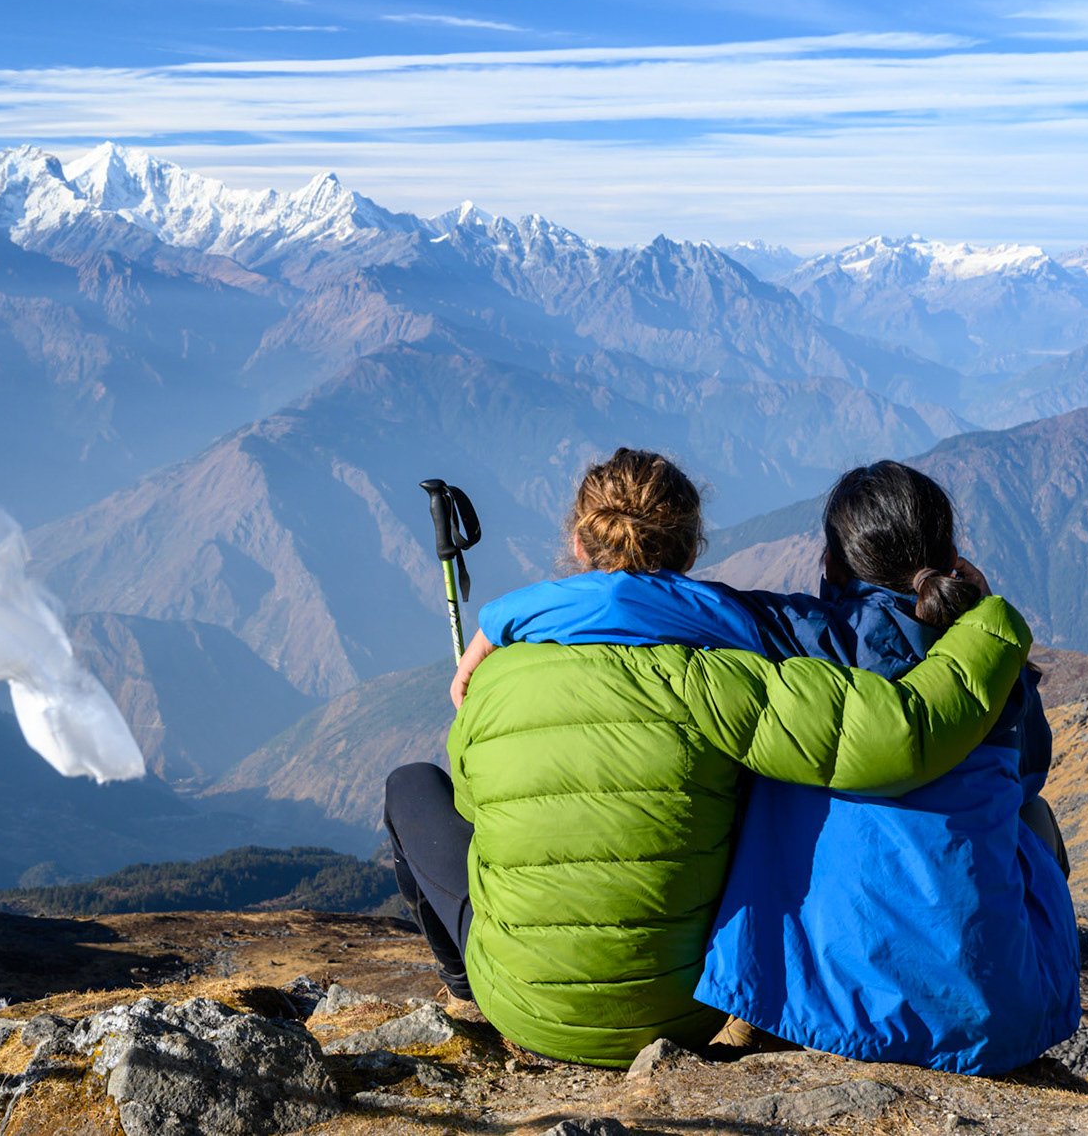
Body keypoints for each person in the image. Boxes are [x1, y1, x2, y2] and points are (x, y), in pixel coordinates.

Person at [382, 448, 1034, 1068]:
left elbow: (473, 810)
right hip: (683, 1008)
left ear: (580, 544)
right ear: (691, 548)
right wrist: (985, 623)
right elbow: (916, 739)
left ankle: (464, 996)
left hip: (521, 1007)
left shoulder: (499, 679)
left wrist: (502, 620)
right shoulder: (726, 673)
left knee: (413, 786)